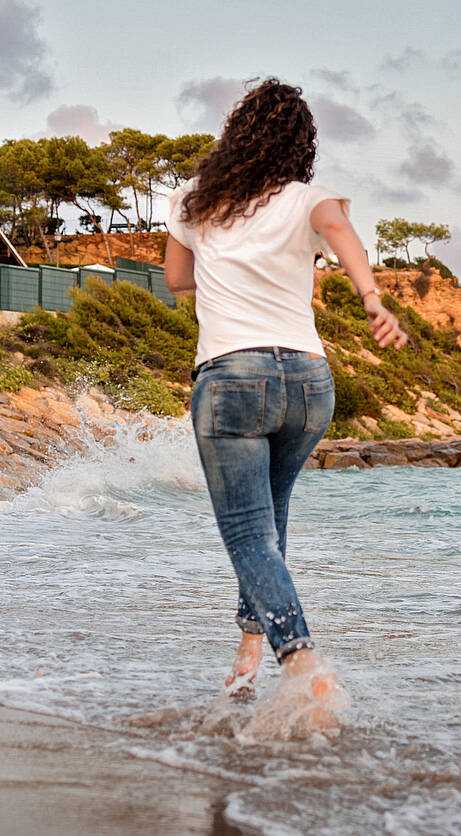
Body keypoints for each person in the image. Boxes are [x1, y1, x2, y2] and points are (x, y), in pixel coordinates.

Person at [165, 78, 406, 729]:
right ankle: (251, 643)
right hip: (308, 381)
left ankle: (301, 663)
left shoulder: (196, 200)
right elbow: (339, 229)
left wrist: (219, 261)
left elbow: (176, 279)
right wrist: (372, 298)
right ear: (301, 144)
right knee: (268, 522)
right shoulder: (309, 199)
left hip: (233, 377)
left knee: (247, 532)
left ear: (236, 134)